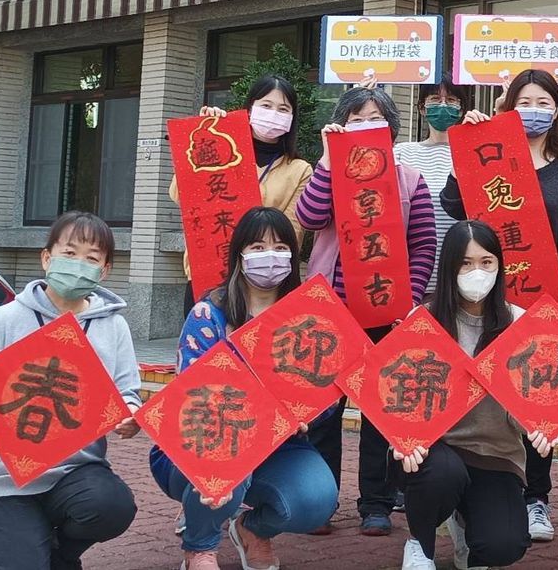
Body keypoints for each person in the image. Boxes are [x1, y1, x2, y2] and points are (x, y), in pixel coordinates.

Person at [440, 68, 558, 543]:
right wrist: (468, 145)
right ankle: (464, 491)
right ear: (509, 107)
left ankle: (536, 498)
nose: (534, 111)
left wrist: (548, 286)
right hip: (482, 301)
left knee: (537, 396)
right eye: (524, 102)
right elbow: (452, 204)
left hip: (542, 305)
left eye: (544, 103)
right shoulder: (489, 155)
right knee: (480, 397)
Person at [0, 212, 142, 570]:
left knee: (113, 506)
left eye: (92, 258)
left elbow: (127, 392)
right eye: (69, 253)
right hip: (1, 479)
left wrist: (129, 415)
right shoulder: (3, 321)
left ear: (105, 270)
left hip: (75, 473)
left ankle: (58, 556)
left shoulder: (113, 326)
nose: (78, 264)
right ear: (47, 258)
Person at [151, 206, 339, 570]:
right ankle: (200, 547)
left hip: (279, 446)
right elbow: (191, 392)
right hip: (208, 439)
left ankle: (252, 529)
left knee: (318, 499)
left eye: (280, 247)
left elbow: (326, 394)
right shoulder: (210, 314)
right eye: (257, 247)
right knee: (229, 460)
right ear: (239, 255)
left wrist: (309, 413)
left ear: (293, 257)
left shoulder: (307, 318)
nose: (270, 256)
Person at [297, 85, 437, 535]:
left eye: (375, 118)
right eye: (355, 119)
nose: (365, 127)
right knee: (323, 413)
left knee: (380, 411)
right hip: (330, 311)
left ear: (391, 129)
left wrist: (409, 300)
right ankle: (321, 502)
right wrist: (327, 160)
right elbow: (309, 217)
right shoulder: (329, 172)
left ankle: (376, 503)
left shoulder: (410, 179)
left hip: (385, 312)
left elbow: (423, 245)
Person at [398, 219, 550, 570]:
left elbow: (527, 402)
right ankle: (419, 544)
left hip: (494, 453)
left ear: (500, 266)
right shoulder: (422, 320)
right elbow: (399, 395)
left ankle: (467, 529)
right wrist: (402, 438)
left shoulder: (519, 323)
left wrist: (539, 424)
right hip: (435, 452)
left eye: (486, 262)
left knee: (504, 546)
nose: (476, 272)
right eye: (465, 263)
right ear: (449, 268)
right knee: (441, 474)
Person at [170, 74, 315, 314]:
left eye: (283, 109)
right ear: (249, 109)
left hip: (263, 282)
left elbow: (292, 232)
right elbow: (180, 196)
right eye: (266, 105)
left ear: (292, 117)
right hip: (209, 272)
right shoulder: (222, 148)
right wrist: (205, 136)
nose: (274, 114)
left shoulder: (299, 169)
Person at [393, 80, 473, 298]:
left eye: (452, 100)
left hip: (465, 280)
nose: (443, 105)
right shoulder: (401, 153)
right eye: (435, 99)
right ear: (422, 108)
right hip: (413, 278)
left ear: (461, 109)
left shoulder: (473, 153)